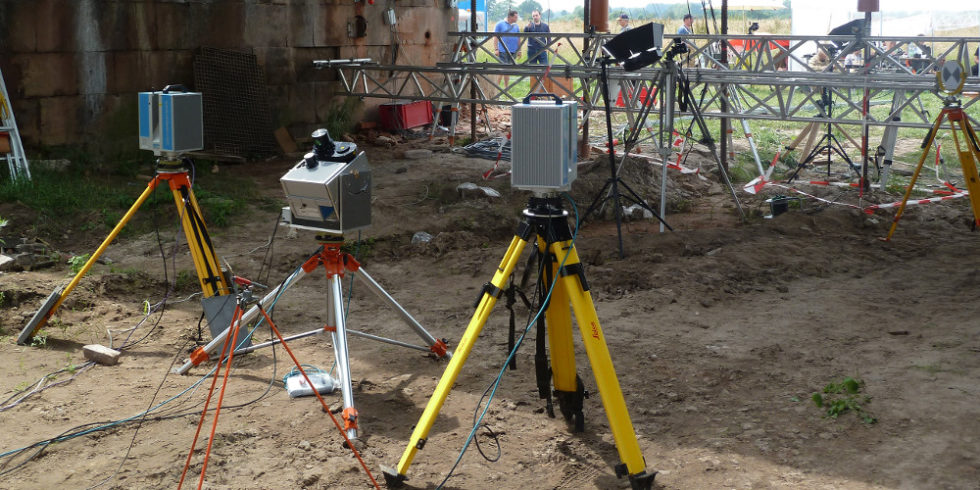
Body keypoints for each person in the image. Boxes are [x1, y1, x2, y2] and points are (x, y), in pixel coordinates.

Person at [494, 10, 521, 87]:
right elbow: (495, 36)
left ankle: (506, 89)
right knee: (502, 70)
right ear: (510, 17)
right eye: (515, 17)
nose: (517, 18)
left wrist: (519, 50)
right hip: (503, 50)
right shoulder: (500, 24)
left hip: (513, 51)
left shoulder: (516, 26)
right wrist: (496, 49)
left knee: (508, 70)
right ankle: (496, 89)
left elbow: (518, 38)